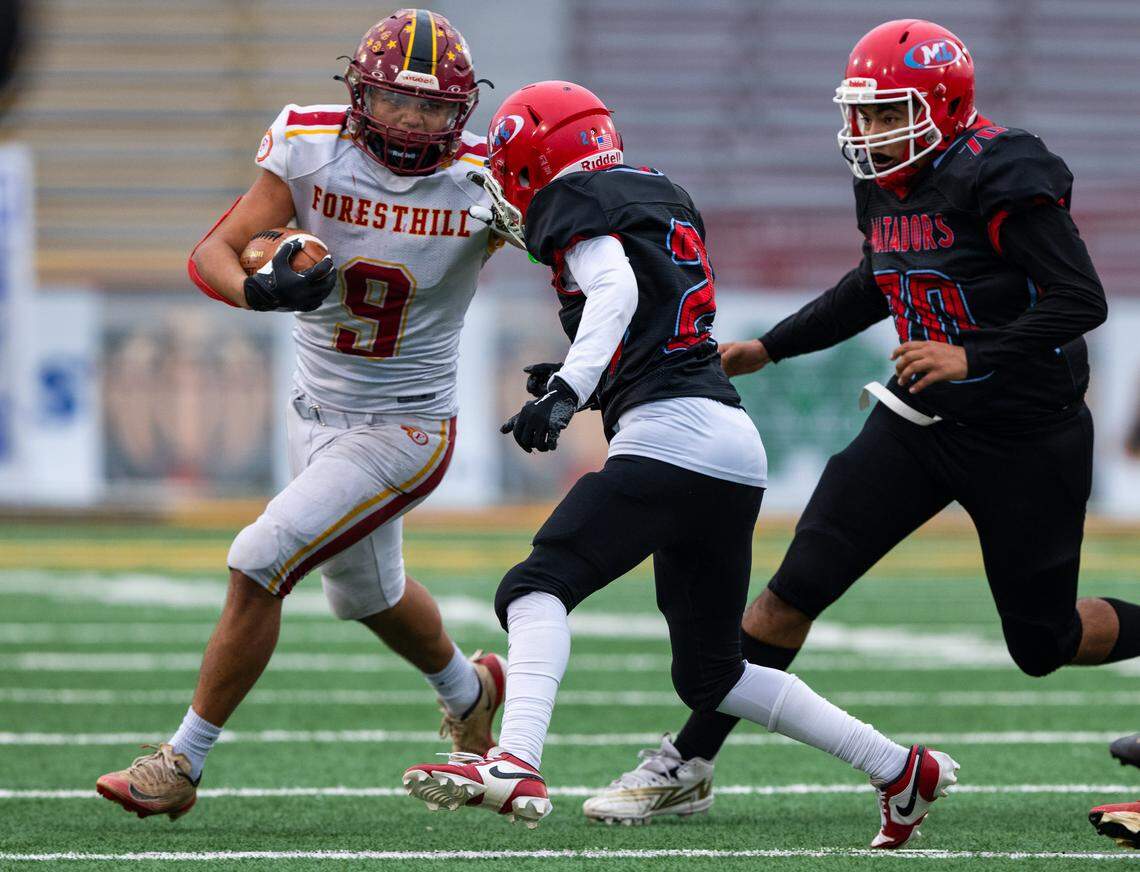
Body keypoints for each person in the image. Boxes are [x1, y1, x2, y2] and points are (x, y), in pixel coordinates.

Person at [587, 18, 1138, 826]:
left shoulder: (1002, 171)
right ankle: (689, 764)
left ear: (944, 107)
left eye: (891, 113)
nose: (873, 132)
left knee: (1041, 644)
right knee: (786, 596)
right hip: (919, 423)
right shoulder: (882, 182)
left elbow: (1078, 299)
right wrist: (770, 348)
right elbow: (875, 281)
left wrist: (971, 355)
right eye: (867, 113)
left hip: (1028, 435)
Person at [400, 80, 958, 848]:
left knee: (534, 587)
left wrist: (570, 387)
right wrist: (586, 377)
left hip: (674, 436)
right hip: (726, 441)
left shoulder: (578, 199)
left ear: (543, 159)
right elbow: (651, 311)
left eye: (515, 166)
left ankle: (516, 760)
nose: (509, 183)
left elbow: (617, 289)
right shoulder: (660, 191)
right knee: (713, 674)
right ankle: (898, 768)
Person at [96, 9, 506, 820]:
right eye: (395, 101)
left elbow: (577, 254)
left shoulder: (485, 180)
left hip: (406, 425)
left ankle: (182, 761)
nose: (413, 121)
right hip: (315, 411)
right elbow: (212, 250)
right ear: (359, 95)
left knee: (259, 559)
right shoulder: (310, 147)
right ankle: (473, 689)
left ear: (460, 115)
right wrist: (258, 290)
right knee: (365, 596)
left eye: (431, 109)